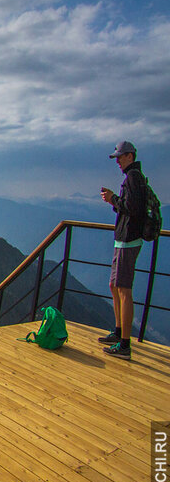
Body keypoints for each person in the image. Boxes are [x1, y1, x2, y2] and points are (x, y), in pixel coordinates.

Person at [99, 140, 148, 360]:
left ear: (130, 156)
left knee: (124, 290)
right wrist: (115, 201)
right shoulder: (132, 179)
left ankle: (125, 344)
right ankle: (119, 333)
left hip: (129, 240)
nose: (117, 161)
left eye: (119, 157)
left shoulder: (133, 179)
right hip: (124, 240)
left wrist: (113, 199)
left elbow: (133, 209)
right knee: (114, 285)